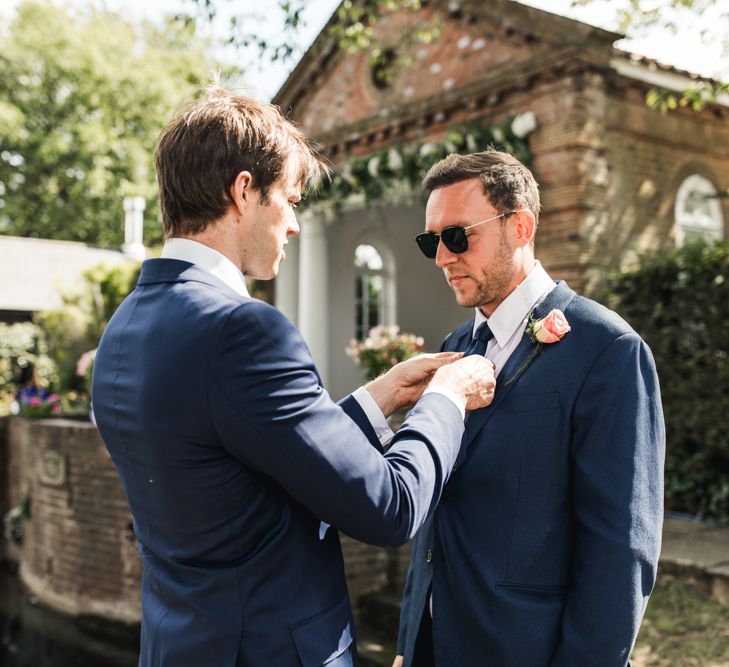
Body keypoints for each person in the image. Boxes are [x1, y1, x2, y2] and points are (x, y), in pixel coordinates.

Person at [91, 86, 496, 667]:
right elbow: (390, 508)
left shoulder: (123, 329)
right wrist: (446, 401)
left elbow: (251, 462)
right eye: (291, 198)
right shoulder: (242, 329)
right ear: (244, 191)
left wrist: (377, 399)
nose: (295, 225)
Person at [394, 150, 665, 666]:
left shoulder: (607, 350)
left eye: (457, 236)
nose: (442, 258)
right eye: (431, 242)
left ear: (519, 226)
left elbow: (619, 552)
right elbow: (439, 516)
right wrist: (410, 641)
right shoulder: (456, 343)